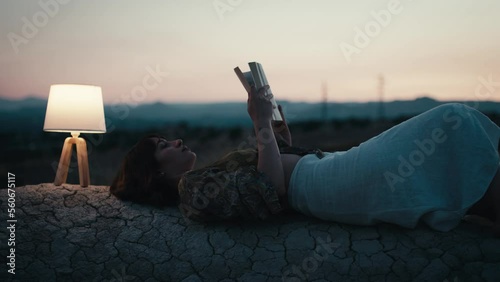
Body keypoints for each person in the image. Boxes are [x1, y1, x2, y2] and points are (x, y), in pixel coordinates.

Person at [110, 85, 500, 235]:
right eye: (163, 145)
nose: (176, 141)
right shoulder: (192, 192)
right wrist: (260, 121)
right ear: (155, 171)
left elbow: (269, 169)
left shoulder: (203, 178)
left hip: (327, 170)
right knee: (449, 121)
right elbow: (269, 189)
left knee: (446, 142)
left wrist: (277, 137)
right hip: (322, 185)